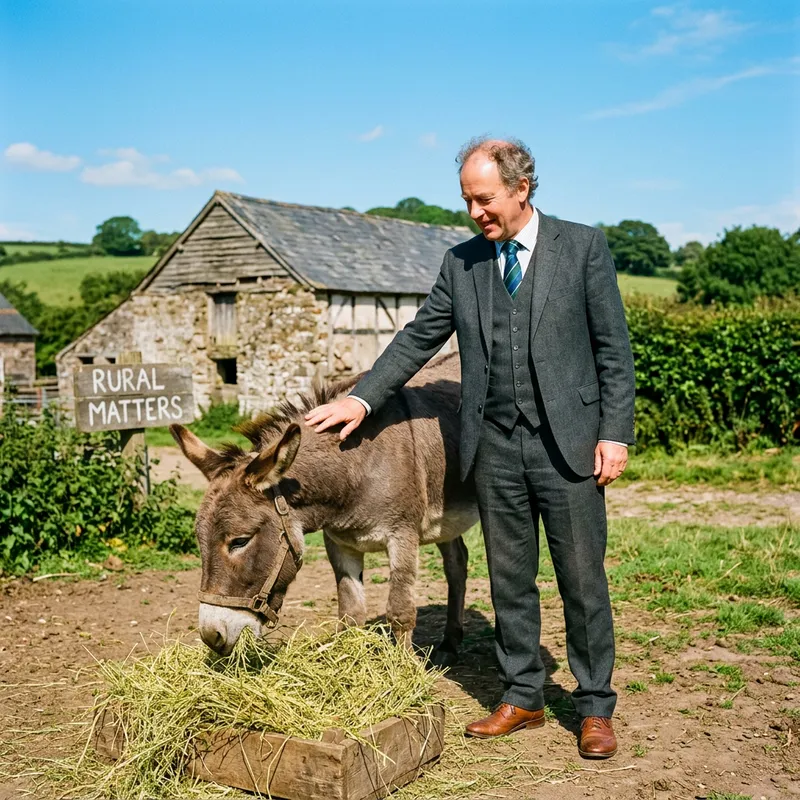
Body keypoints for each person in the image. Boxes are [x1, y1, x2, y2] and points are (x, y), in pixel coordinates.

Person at [304, 137, 635, 759]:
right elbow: (418, 337)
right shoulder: (462, 264)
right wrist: (363, 399)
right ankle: (523, 697)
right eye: (467, 201)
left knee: (582, 580)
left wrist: (614, 433)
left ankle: (594, 707)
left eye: (484, 199)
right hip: (493, 449)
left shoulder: (583, 247)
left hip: (571, 446)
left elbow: (613, 351)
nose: (475, 212)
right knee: (509, 579)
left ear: (521, 189)